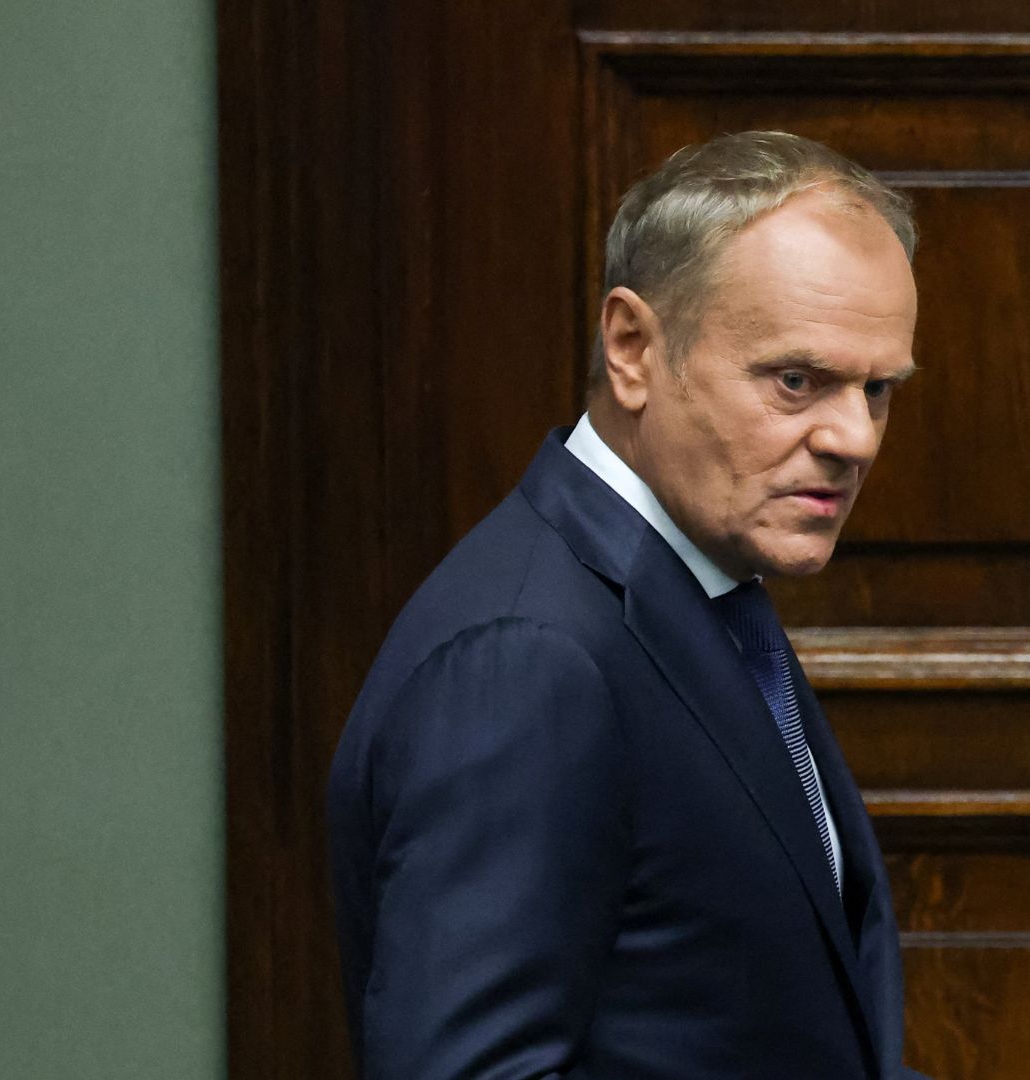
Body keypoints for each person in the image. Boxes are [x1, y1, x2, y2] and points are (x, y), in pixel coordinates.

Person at [326, 131, 926, 1079]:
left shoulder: (704, 588)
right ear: (633, 347)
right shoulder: (527, 659)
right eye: (797, 380)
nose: (853, 437)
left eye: (879, 388)